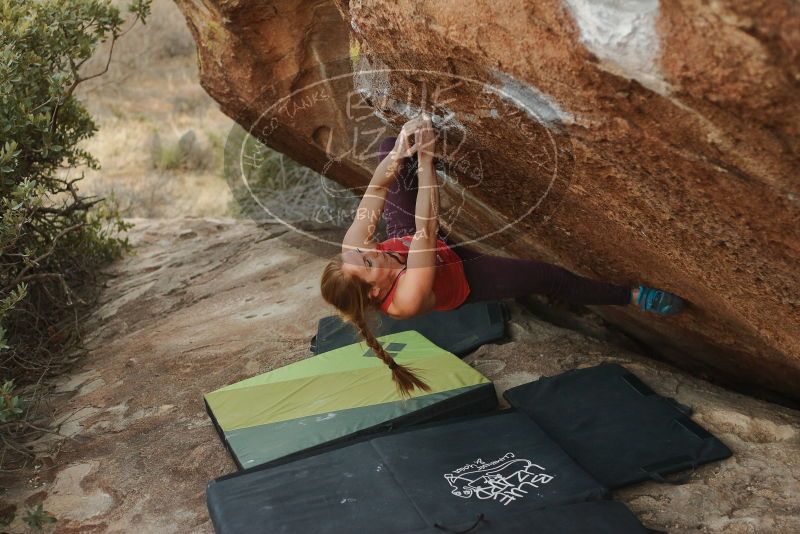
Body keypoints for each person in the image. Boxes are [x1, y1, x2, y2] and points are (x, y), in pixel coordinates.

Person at [320, 115, 685, 396]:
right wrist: (428, 161)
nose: (369, 250)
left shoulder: (354, 252)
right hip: (461, 275)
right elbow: (426, 230)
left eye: (363, 251)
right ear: (374, 292)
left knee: (388, 149)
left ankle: (407, 150)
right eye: (369, 262)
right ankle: (631, 296)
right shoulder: (405, 300)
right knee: (547, 277)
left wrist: (403, 149)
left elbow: (377, 186)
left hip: (414, 241)